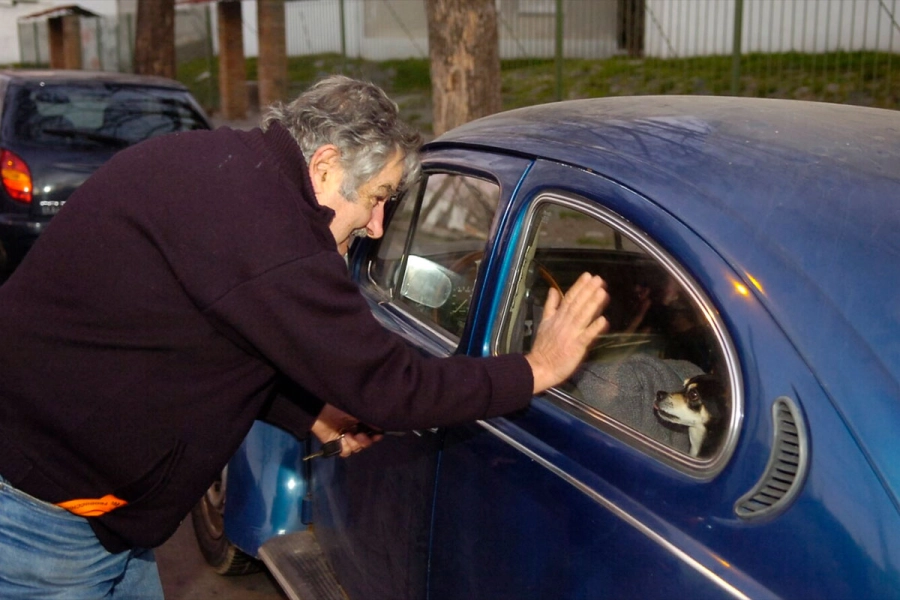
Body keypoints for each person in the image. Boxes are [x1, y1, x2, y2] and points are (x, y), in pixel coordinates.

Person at [0, 75, 610, 598]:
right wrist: (537, 367)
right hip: (43, 519)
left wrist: (310, 412)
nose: (375, 226)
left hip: (93, 514)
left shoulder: (226, 167)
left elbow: (205, 340)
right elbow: (392, 387)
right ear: (323, 166)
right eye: (375, 199)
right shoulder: (274, 235)